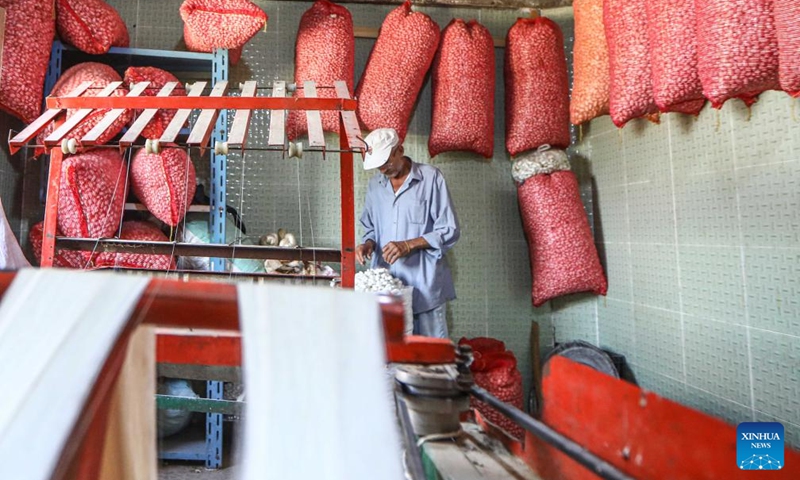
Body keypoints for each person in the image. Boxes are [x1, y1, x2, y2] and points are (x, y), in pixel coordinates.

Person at [356, 128, 460, 338]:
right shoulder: (375, 186)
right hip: (388, 288)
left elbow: (449, 230)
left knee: (431, 360)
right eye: (379, 166)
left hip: (424, 285)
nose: (383, 169)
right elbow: (371, 229)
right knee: (390, 358)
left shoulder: (431, 179)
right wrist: (368, 243)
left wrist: (408, 244)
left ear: (400, 150)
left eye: (386, 162)